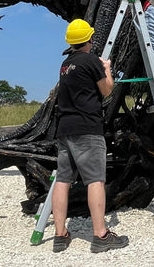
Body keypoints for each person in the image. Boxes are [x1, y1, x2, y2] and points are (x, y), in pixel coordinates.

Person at [52, 19, 129, 253]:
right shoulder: (91, 61)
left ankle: (60, 235)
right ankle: (101, 235)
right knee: (95, 179)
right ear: (89, 39)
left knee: (63, 180)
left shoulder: (65, 65)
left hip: (64, 129)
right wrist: (107, 69)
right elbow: (106, 90)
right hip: (87, 128)